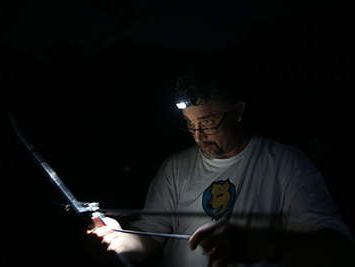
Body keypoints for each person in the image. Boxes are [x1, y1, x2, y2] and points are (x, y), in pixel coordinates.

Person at [88, 66, 354, 266]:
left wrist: (266, 246)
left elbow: (339, 249)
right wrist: (119, 237)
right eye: (189, 124)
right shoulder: (175, 167)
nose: (197, 136)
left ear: (238, 112)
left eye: (207, 123)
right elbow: (148, 237)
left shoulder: (286, 164)